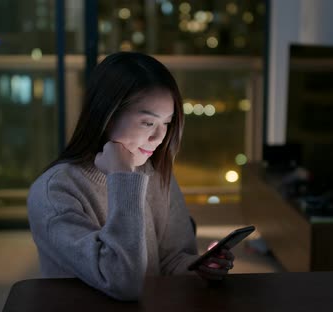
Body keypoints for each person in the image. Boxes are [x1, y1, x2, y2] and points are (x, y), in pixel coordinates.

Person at [27, 52, 235, 301]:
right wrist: (123, 179)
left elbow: (171, 260)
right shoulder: (54, 192)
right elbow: (123, 281)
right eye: (148, 123)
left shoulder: (154, 174)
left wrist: (199, 268)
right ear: (107, 115)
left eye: (166, 123)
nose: (159, 138)